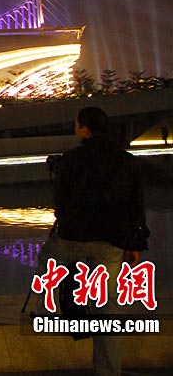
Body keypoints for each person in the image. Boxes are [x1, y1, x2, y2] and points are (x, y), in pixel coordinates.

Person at [44, 106, 149, 376]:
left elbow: (60, 203)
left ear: (85, 129)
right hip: (111, 242)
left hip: (73, 239)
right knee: (107, 307)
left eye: (76, 125)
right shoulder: (127, 161)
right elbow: (136, 205)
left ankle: (65, 305)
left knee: (46, 263)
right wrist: (133, 244)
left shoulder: (70, 160)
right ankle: (108, 369)